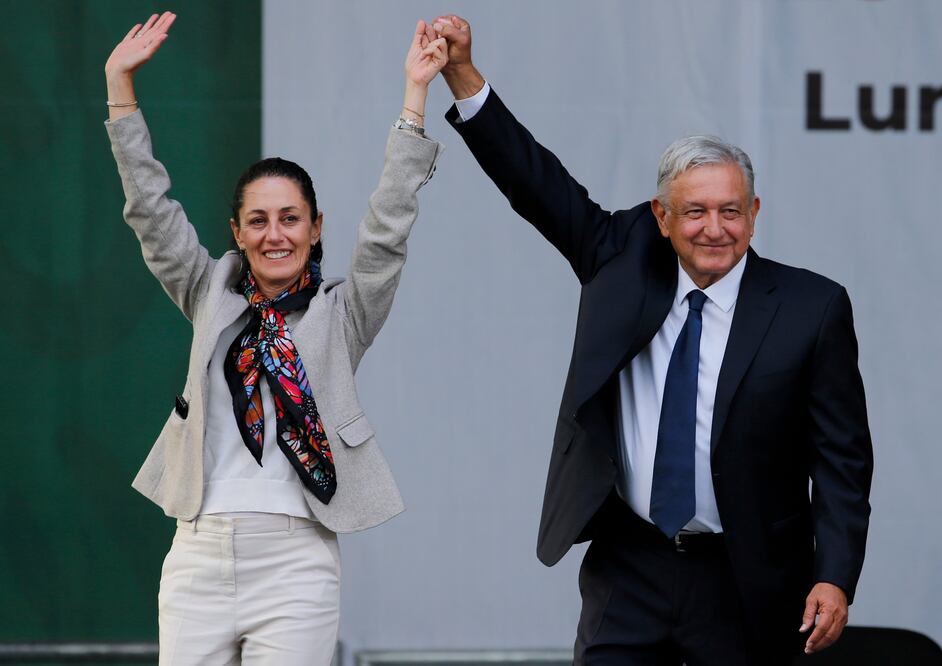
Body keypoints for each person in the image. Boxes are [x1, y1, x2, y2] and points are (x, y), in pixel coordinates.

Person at [431, 14, 873, 666]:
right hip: (631, 563)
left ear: (754, 214)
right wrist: (461, 74)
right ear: (662, 218)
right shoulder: (618, 258)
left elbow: (841, 462)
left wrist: (834, 575)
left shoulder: (812, 307)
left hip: (747, 571)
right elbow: (534, 180)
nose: (714, 228)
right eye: (695, 211)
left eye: (730, 211)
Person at [104, 12, 446, 665]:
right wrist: (120, 89)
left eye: (290, 218)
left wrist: (414, 96)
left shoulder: (343, 312)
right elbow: (151, 214)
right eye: (258, 221)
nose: (275, 234)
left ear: (316, 227)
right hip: (199, 552)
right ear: (237, 231)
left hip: (297, 560)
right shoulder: (210, 295)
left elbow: (387, 229)